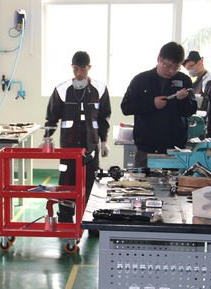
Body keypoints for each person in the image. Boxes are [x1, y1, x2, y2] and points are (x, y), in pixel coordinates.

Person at [45, 51, 111, 225]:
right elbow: (52, 117)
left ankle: (92, 219)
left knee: (92, 182)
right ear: (72, 67)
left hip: (91, 146)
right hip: (68, 147)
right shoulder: (62, 90)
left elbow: (103, 118)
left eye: (83, 69)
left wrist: (104, 141)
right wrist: (46, 138)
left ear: (89, 67)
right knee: (67, 182)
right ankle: (65, 218)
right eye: (76, 69)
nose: (79, 73)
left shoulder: (100, 89)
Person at [121, 42, 197, 168]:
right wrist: (151, 103)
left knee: (175, 181)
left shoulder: (184, 80)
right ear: (159, 59)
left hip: (175, 150)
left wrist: (183, 99)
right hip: (146, 149)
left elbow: (190, 110)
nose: (171, 71)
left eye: (176, 67)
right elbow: (126, 107)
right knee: (143, 180)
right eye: (168, 65)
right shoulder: (141, 80)